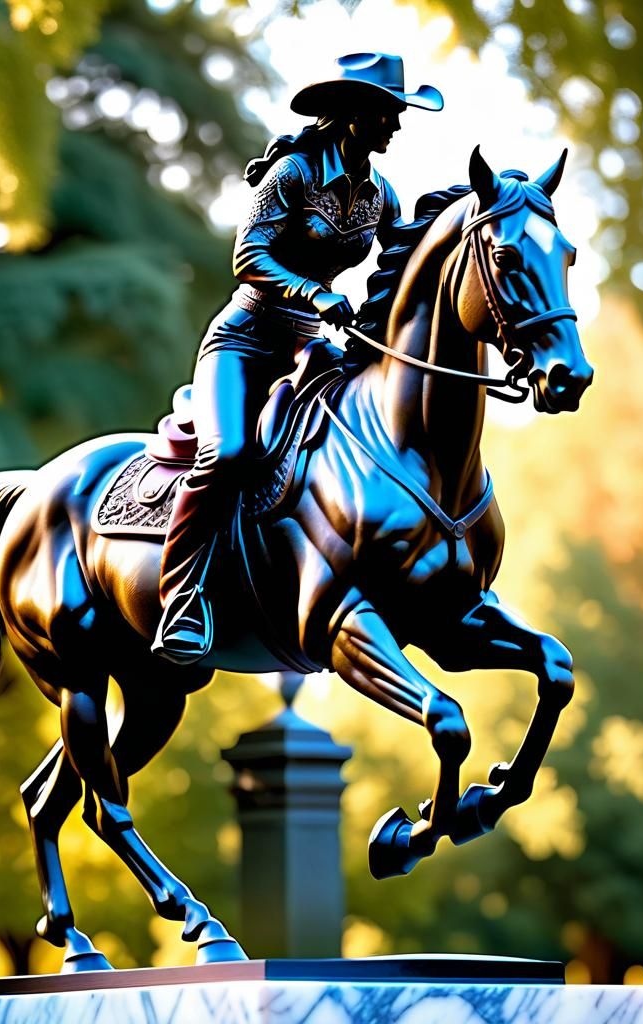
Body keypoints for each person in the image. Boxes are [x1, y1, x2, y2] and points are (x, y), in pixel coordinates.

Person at [152, 52, 444, 664]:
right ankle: (183, 600)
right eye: (389, 113)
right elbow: (247, 257)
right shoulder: (290, 174)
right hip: (245, 337)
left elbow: (399, 267)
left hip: (311, 344)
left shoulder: (381, 194)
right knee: (228, 453)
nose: (396, 124)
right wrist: (313, 290)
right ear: (352, 116)